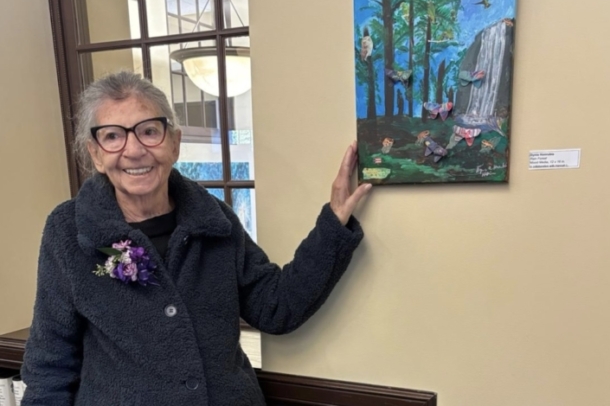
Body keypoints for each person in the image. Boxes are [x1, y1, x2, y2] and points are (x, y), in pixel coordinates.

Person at [21, 71, 371, 405]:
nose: (134, 150)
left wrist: (333, 224)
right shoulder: (67, 231)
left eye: (149, 131)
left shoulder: (214, 220)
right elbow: (49, 364)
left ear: (174, 143)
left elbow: (276, 307)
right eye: (113, 136)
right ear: (96, 154)